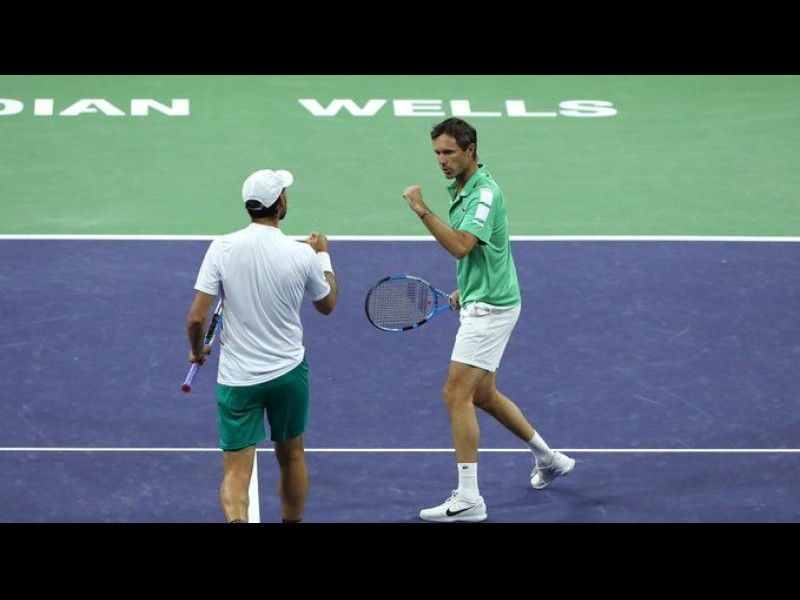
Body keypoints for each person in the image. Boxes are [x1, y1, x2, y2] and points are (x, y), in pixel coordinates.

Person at [402, 117, 575, 523]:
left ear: (471, 150)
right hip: (488, 298)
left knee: (455, 395)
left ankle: (469, 498)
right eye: (437, 153)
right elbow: (485, 252)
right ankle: (549, 459)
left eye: (449, 152)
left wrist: (422, 210)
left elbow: (463, 246)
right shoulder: (465, 187)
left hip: (491, 310)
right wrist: (468, 287)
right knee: (483, 395)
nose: (442, 160)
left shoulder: (483, 194)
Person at [186, 168, 338, 523]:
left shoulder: (221, 248)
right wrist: (322, 256)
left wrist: (197, 349)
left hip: (238, 379)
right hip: (288, 374)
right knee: (293, 456)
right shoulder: (301, 254)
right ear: (280, 201)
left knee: (235, 472)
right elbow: (327, 304)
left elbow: (196, 318)